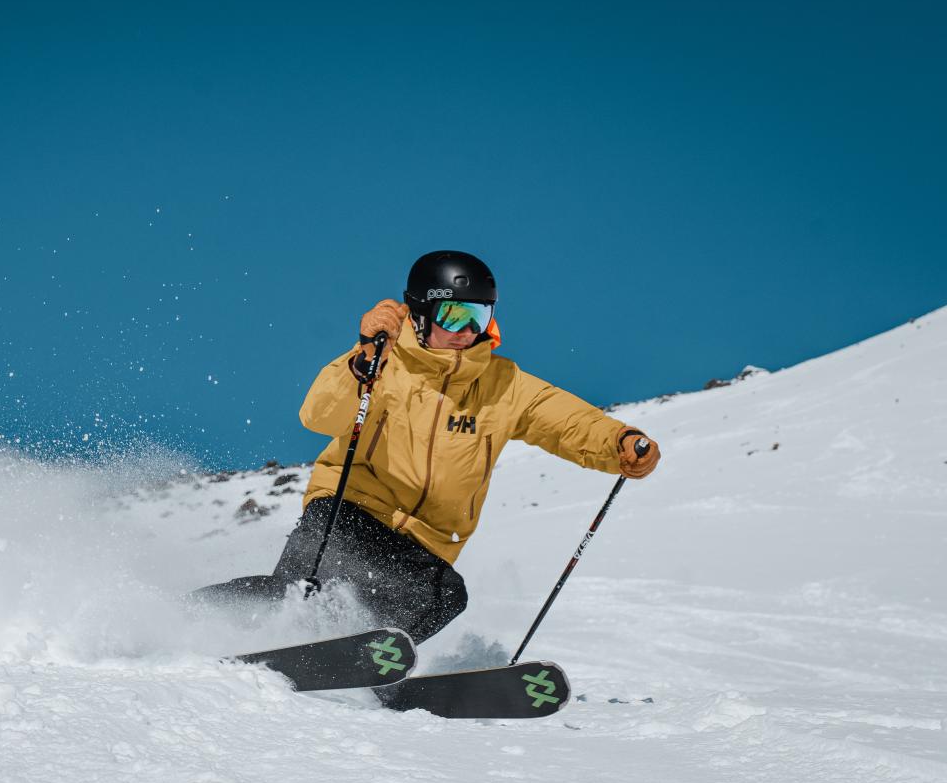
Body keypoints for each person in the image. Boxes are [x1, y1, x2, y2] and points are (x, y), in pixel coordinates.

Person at [190, 249, 660, 653]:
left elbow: (567, 420)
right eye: (453, 316)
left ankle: (352, 656)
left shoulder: (504, 385)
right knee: (298, 593)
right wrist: (362, 360)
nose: (465, 331)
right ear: (420, 314)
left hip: (427, 541)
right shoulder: (382, 360)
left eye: (477, 318)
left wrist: (617, 444)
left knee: (442, 597)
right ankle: (185, 619)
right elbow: (319, 414)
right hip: (350, 509)